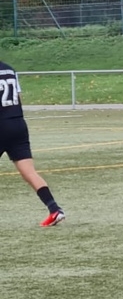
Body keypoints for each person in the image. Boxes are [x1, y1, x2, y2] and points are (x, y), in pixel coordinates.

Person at [0, 61, 65, 227]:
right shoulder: (9, 69)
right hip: (17, 123)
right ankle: (54, 208)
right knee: (29, 172)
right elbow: (18, 97)